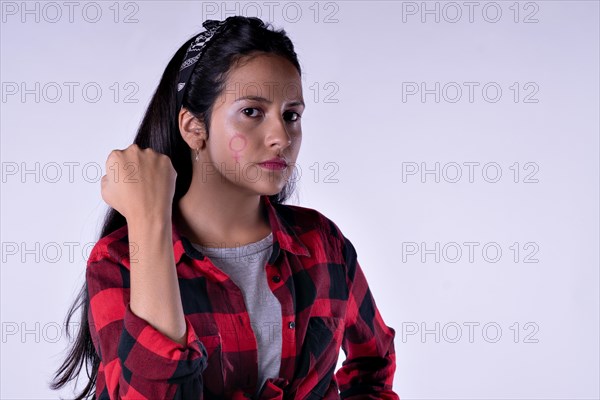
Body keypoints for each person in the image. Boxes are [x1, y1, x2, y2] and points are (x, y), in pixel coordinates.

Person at [51, 16, 399, 400]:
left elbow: (373, 367)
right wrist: (148, 220)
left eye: (291, 115)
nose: (281, 136)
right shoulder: (119, 261)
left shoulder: (323, 244)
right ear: (194, 128)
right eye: (252, 111)